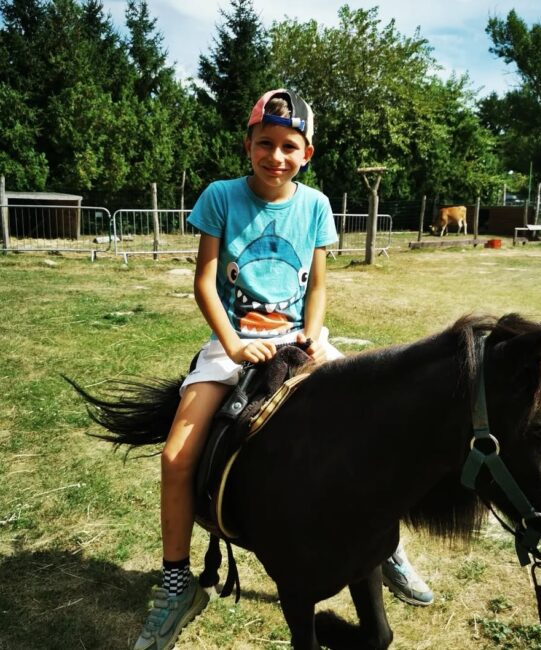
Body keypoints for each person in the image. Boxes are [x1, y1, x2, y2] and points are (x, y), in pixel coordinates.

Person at [134, 89, 429, 650]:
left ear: (306, 153)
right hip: (234, 344)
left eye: (289, 146)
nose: (276, 156)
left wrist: (313, 337)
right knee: (176, 457)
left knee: (375, 429)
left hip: (300, 340)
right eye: (265, 143)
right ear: (248, 144)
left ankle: (388, 547)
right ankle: (177, 584)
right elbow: (205, 282)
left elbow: (317, 286)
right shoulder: (220, 197)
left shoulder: (315, 205)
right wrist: (233, 345)